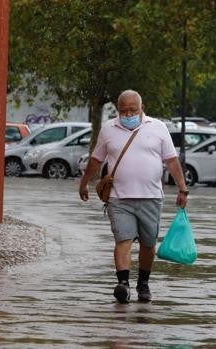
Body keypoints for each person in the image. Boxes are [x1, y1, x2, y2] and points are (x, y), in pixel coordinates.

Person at [79, 90, 189, 304]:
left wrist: (182, 189)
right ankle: (123, 284)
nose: (128, 114)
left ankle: (143, 283)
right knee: (123, 239)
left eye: (132, 110)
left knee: (148, 244)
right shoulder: (108, 129)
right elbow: (96, 159)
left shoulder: (158, 128)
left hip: (151, 197)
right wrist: (84, 183)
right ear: (118, 110)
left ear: (142, 108)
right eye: (123, 110)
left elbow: (172, 161)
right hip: (119, 198)